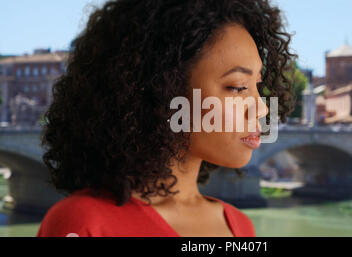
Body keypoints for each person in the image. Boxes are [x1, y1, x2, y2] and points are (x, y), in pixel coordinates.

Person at [37, 0, 296, 237]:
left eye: (257, 86)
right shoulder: (82, 224)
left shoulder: (240, 226)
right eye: (238, 87)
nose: (262, 109)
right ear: (163, 90)